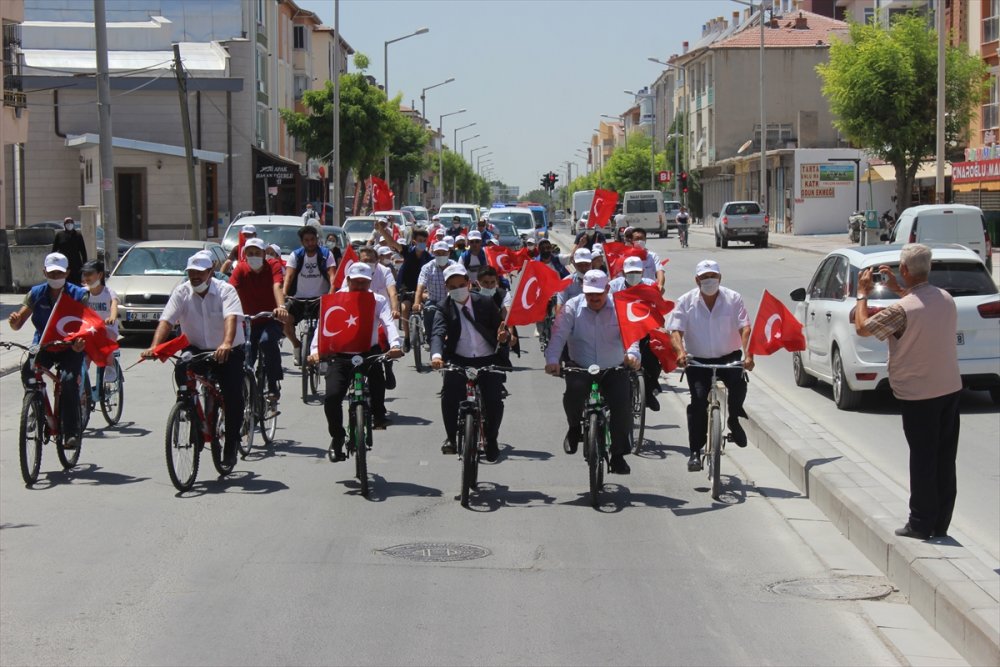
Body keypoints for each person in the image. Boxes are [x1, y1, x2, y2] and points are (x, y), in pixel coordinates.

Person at [854, 244, 962, 540]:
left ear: (904, 269)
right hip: (949, 388)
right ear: (928, 269)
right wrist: (899, 289)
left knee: (923, 458)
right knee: (944, 458)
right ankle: (940, 523)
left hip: (919, 394)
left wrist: (863, 293)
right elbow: (920, 304)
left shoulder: (901, 309)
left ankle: (920, 522)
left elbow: (863, 328)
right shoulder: (945, 298)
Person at [142, 251, 246, 469]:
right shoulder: (181, 292)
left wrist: (226, 343)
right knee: (182, 367)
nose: (195, 277)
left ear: (210, 271)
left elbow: (231, 318)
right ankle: (192, 414)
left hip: (227, 350)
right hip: (196, 348)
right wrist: (154, 347)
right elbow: (166, 320)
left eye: (199, 273)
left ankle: (231, 444)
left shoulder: (226, 290)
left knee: (233, 396)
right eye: (191, 273)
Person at [544, 270, 641, 475]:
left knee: (622, 406)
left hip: (613, 367)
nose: (594, 298)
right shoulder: (572, 307)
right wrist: (552, 360)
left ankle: (618, 455)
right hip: (581, 365)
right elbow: (558, 336)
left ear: (607, 289)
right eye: (590, 294)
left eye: (598, 293)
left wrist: (633, 355)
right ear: (583, 290)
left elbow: (632, 336)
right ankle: (573, 428)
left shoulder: (621, 307)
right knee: (573, 393)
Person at [308, 262, 403, 459]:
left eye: (364, 283)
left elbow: (388, 323)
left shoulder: (378, 300)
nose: (360, 286)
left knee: (377, 382)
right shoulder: (335, 299)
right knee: (332, 397)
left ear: (370, 282)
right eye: (356, 282)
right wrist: (315, 351)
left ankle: (378, 416)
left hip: (368, 352)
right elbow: (322, 327)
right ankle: (337, 437)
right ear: (348, 280)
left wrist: (395, 345)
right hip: (340, 355)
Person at [668, 259, 754, 472]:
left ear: (720, 278)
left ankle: (734, 420)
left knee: (739, 386)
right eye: (704, 277)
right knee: (698, 403)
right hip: (698, 360)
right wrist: (680, 353)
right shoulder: (685, 301)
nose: (709, 281)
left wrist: (749, 355)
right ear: (697, 280)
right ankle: (695, 452)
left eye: (712, 276)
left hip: (729, 357)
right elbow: (675, 330)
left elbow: (745, 328)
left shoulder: (733, 298)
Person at [8, 252, 89, 450]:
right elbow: (18, 323)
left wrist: (80, 341)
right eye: (51, 273)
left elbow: (87, 323)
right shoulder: (36, 293)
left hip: (70, 347)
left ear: (67, 273)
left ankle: (70, 432)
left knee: (68, 381)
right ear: (44, 272)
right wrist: (14, 321)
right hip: (44, 345)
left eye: (59, 273)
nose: (55, 277)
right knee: (28, 372)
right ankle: (35, 407)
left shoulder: (79, 295)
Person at [430, 264, 509, 460]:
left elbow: (501, 330)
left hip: (487, 358)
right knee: (449, 394)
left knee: (494, 400)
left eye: (461, 285)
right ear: (447, 288)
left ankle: (491, 438)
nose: (458, 289)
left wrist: (503, 337)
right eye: (452, 287)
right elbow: (437, 333)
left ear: (469, 283)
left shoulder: (485, 302)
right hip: (459, 359)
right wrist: (436, 356)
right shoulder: (443, 308)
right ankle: (450, 438)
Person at [228, 237, 288, 403]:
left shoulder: (273, 265)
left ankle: (273, 383)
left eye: (257, 253)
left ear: (263, 254)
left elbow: (277, 286)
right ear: (245, 255)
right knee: (244, 357)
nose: (253, 256)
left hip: (270, 318)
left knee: (267, 341)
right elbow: (230, 290)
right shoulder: (240, 269)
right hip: (247, 322)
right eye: (250, 253)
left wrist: (281, 307)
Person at [609, 256, 663, 412]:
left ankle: (649, 392)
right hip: (620, 328)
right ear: (623, 273)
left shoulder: (650, 286)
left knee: (653, 359)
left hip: (644, 329)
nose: (633, 275)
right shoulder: (613, 286)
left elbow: (658, 308)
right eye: (630, 273)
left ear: (642, 272)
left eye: (637, 272)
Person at [283, 225, 337, 364]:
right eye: (306, 240)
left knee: (327, 324)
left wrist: (331, 294)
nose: (310, 243)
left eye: (312, 239)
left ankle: (323, 353)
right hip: (298, 298)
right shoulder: (296, 255)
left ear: (316, 239)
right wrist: (284, 293)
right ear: (302, 242)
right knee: (284, 321)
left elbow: (332, 276)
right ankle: (297, 345)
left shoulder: (326, 254)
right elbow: (289, 276)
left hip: (321, 299)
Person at [377, 224, 432, 350]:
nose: (422, 243)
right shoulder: (407, 251)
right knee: (405, 308)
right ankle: (407, 337)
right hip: (406, 286)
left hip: (422, 287)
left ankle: (428, 332)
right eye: (420, 241)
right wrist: (381, 230)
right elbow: (392, 242)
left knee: (429, 306)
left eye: (424, 241)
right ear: (414, 241)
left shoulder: (429, 257)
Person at [80, 260, 120, 380]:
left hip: (107, 327)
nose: (86, 277)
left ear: (100, 275)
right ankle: (81, 379)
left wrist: (112, 317)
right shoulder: (82, 293)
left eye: (90, 274)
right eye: (85, 274)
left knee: (105, 341)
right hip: (89, 329)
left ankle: (110, 367)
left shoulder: (108, 292)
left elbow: (114, 305)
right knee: (85, 354)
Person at [414, 241, 457, 337]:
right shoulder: (427, 267)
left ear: (449, 253)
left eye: (444, 253)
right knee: (428, 311)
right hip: (434, 301)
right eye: (438, 253)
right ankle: (430, 337)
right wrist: (417, 303)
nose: (441, 256)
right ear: (433, 253)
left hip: (451, 301)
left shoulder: (455, 266)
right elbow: (420, 286)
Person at [51, 217, 87, 285]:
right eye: (67, 223)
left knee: (76, 283)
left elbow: (83, 251)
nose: (69, 224)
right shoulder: (59, 235)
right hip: (63, 264)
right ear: (64, 224)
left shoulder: (78, 235)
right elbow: (54, 250)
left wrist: (85, 265)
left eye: (71, 222)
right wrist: (53, 263)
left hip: (76, 265)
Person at [555, 248, 593, 314]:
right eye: (580, 265)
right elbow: (560, 308)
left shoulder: (601, 280)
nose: (583, 268)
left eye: (586, 264)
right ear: (574, 264)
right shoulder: (565, 283)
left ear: (591, 263)